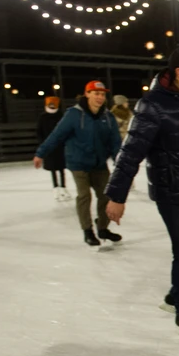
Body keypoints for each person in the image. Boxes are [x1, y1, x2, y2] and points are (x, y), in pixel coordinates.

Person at [104, 45, 179, 342]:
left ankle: (175, 294)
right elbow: (131, 151)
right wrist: (117, 196)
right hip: (171, 190)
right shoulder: (153, 105)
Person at [34, 81, 122, 247]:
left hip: (99, 163)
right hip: (78, 163)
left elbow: (115, 142)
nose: (100, 97)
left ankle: (103, 228)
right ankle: (87, 230)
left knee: (106, 196)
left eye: (102, 94)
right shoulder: (74, 114)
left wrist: (121, 163)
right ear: (87, 94)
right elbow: (56, 136)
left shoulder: (108, 116)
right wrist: (41, 153)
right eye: (96, 93)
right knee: (84, 195)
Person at [37, 96, 70, 201]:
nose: (51, 106)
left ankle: (63, 187)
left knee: (61, 168)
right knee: (52, 169)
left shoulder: (61, 116)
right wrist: (44, 145)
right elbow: (39, 132)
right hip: (49, 146)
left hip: (60, 147)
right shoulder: (43, 117)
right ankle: (55, 187)